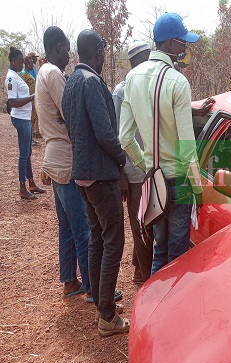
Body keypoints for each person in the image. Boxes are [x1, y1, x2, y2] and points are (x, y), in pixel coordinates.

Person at [120, 13, 203, 275]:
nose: (185, 48)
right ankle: (173, 312)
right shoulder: (177, 82)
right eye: (182, 42)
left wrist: (146, 163)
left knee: (160, 248)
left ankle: (154, 306)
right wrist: (198, 189)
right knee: (178, 256)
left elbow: (124, 137)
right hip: (178, 180)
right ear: (168, 44)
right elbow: (188, 147)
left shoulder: (132, 78)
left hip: (152, 180)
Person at [62, 29, 129, 336]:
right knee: (113, 240)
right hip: (101, 176)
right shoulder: (91, 82)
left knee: (98, 239)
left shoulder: (71, 82)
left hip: (82, 176)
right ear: (99, 53)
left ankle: (100, 301)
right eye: (104, 52)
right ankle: (106, 316)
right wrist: (122, 160)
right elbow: (104, 133)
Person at [36, 26, 91, 299]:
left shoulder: (42, 73)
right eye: (67, 49)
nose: (68, 55)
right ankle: (93, 287)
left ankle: (70, 280)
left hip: (53, 158)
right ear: (58, 46)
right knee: (82, 227)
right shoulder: (54, 74)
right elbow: (70, 112)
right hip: (65, 160)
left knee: (67, 226)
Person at [112, 40, 153, 283]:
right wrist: (121, 173)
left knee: (147, 222)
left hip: (149, 167)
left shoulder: (150, 86)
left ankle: (140, 265)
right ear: (134, 63)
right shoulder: (122, 91)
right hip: (133, 170)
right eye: (145, 59)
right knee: (140, 225)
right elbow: (118, 135)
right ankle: (145, 277)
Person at [5, 46, 45, 200]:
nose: (23, 64)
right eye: (21, 61)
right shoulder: (11, 78)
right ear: (14, 61)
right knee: (24, 154)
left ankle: (31, 183)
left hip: (25, 117)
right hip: (20, 118)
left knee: (27, 152)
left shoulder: (16, 75)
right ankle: (22, 187)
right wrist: (31, 97)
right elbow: (13, 102)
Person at [20, 56, 40, 144]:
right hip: (29, 100)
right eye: (31, 64)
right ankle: (28, 139)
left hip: (32, 99)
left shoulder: (28, 73)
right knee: (30, 120)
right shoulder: (23, 74)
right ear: (27, 65)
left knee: (33, 120)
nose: (33, 66)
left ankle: (30, 138)